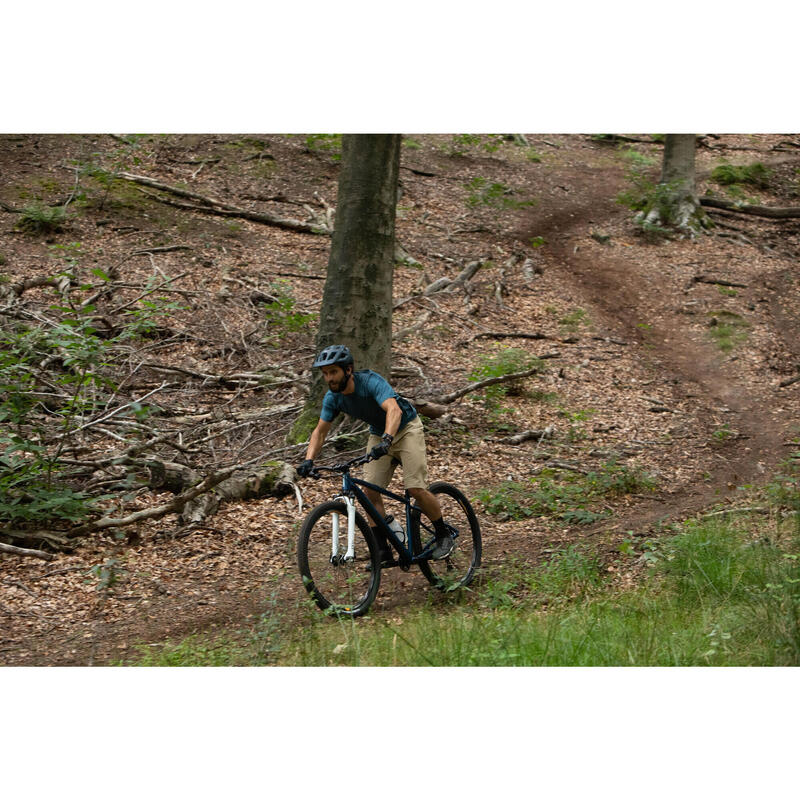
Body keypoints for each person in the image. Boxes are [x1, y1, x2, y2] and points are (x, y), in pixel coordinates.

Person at [297, 344, 456, 562]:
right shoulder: (333, 398)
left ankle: (442, 534)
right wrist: (308, 460)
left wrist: (388, 440)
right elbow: (320, 431)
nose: (329, 378)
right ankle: (382, 549)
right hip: (379, 434)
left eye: (333, 372)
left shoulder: (370, 381)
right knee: (369, 492)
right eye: (325, 374)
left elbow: (394, 409)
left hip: (406, 428)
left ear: (348, 370)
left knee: (416, 488)